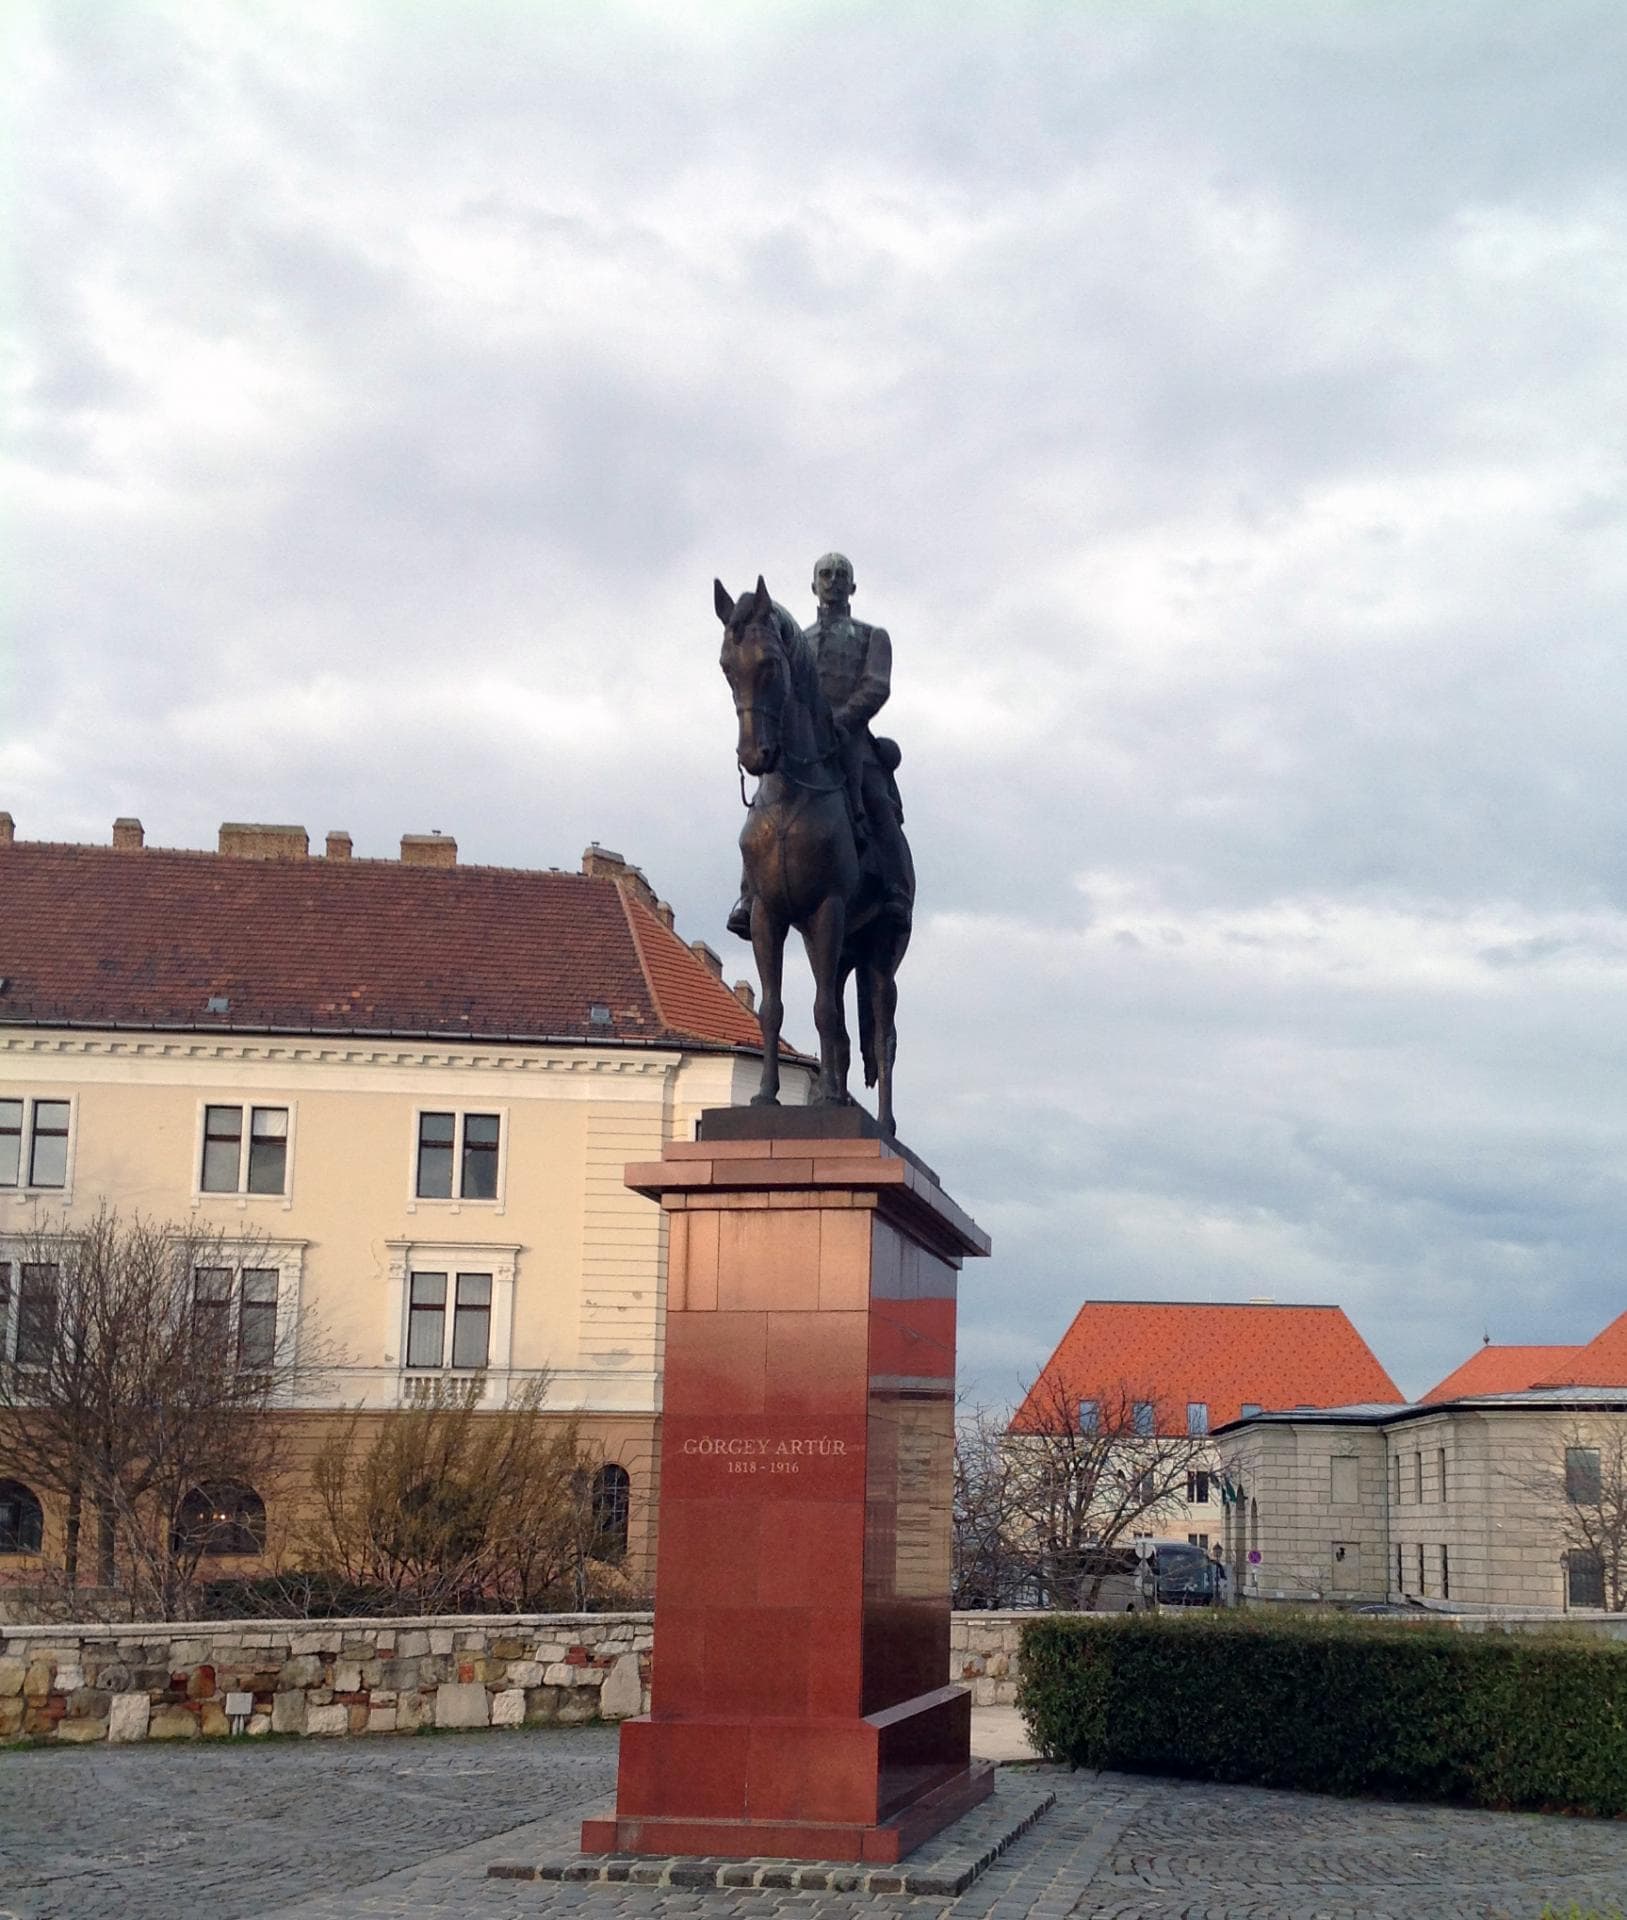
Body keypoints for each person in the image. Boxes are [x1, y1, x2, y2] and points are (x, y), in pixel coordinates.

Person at [727, 551, 910, 939]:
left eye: (840, 574)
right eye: (825, 574)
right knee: (764, 803)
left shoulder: (871, 635)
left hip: (851, 737)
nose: (832, 580)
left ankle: (895, 888)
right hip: (805, 741)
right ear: (814, 585)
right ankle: (748, 895)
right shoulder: (798, 640)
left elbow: (877, 685)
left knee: (877, 802)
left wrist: (843, 720)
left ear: (852, 586)